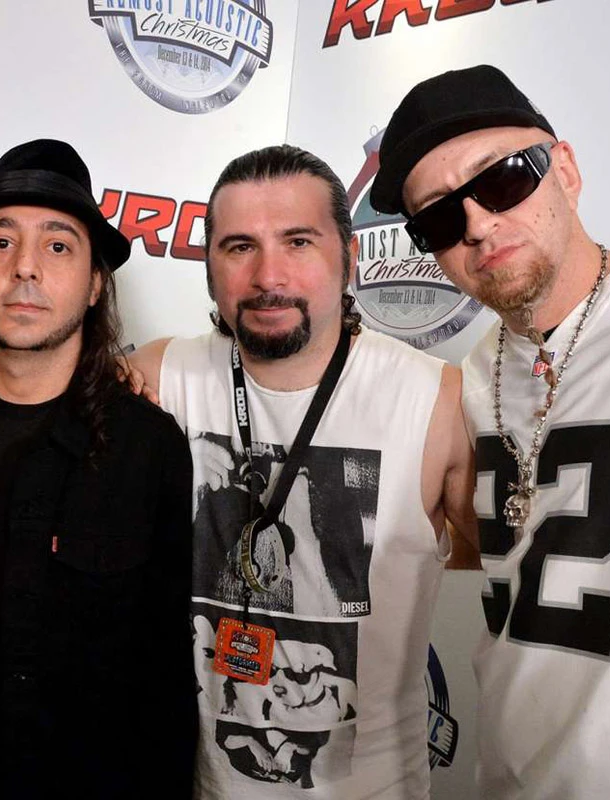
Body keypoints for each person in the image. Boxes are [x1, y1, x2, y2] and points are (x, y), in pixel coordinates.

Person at [370, 64, 610, 798]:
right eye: (439, 218)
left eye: (502, 180)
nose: (477, 223)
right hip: (505, 776)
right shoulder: (473, 377)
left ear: (565, 169)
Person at [128, 145, 476, 797]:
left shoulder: (435, 402)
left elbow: (512, 565)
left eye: (298, 241)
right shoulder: (158, 377)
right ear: (209, 267)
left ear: (348, 256)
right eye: (239, 247)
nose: (269, 274)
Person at [0, 139, 196, 799]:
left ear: (95, 282)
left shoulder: (147, 446)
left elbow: (163, 670)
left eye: (57, 246)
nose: (25, 267)